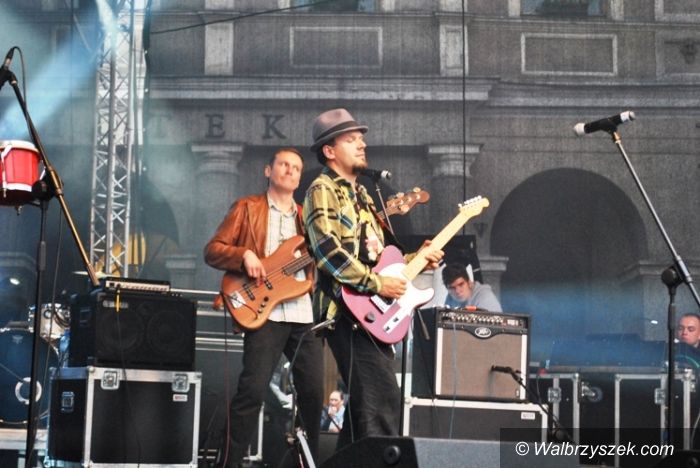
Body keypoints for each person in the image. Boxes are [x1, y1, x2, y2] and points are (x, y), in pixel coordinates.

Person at [302, 108, 443, 450]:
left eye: (361, 138)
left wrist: (415, 260)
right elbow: (328, 253)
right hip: (346, 312)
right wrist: (378, 285)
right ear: (329, 151)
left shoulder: (363, 194)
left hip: (369, 312)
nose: (362, 144)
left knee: (365, 410)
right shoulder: (322, 189)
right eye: (351, 140)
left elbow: (377, 259)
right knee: (380, 401)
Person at [204, 148, 324, 467]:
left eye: (296, 168)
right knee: (252, 392)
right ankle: (228, 463)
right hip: (264, 313)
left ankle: (304, 462)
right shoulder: (247, 207)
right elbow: (212, 250)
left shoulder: (306, 217)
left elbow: (317, 259)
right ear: (268, 171)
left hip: (301, 312)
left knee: (314, 394)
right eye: (284, 164)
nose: (290, 170)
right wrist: (244, 255)